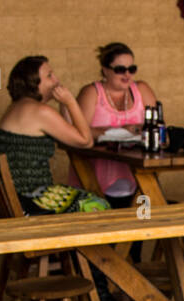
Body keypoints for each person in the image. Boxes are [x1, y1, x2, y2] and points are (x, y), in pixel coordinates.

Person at [0, 55, 108, 215]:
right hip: (31, 199)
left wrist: (63, 104)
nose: (56, 80)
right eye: (49, 76)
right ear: (33, 83)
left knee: (88, 198)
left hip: (15, 197)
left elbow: (70, 132)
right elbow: (85, 141)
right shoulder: (40, 112)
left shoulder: (18, 106)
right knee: (98, 204)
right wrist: (70, 102)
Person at [72, 42, 159, 206]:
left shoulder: (141, 89)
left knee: (144, 216)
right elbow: (78, 133)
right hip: (95, 177)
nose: (127, 74)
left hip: (139, 176)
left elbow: (158, 127)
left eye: (131, 69)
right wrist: (117, 131)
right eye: (120, 69)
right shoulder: (92, 92)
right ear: (105, 70)